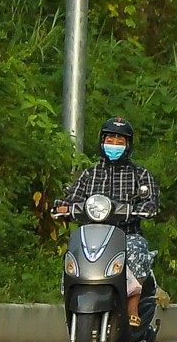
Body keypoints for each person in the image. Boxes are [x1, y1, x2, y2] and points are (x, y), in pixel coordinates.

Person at [56, 117, 161, 328]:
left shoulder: (140, 175)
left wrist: (139, 209)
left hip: (126, 233)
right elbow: (71, 199)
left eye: (120, 141)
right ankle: (72, 297)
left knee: (137, 246)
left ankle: (133, 305)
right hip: (92, 235)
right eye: (110, 139)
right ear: (102, 141)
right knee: (74, 250)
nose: (114, 144)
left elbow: (151, 203)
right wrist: (62, 207)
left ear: (128, 145)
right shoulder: (89, 174)